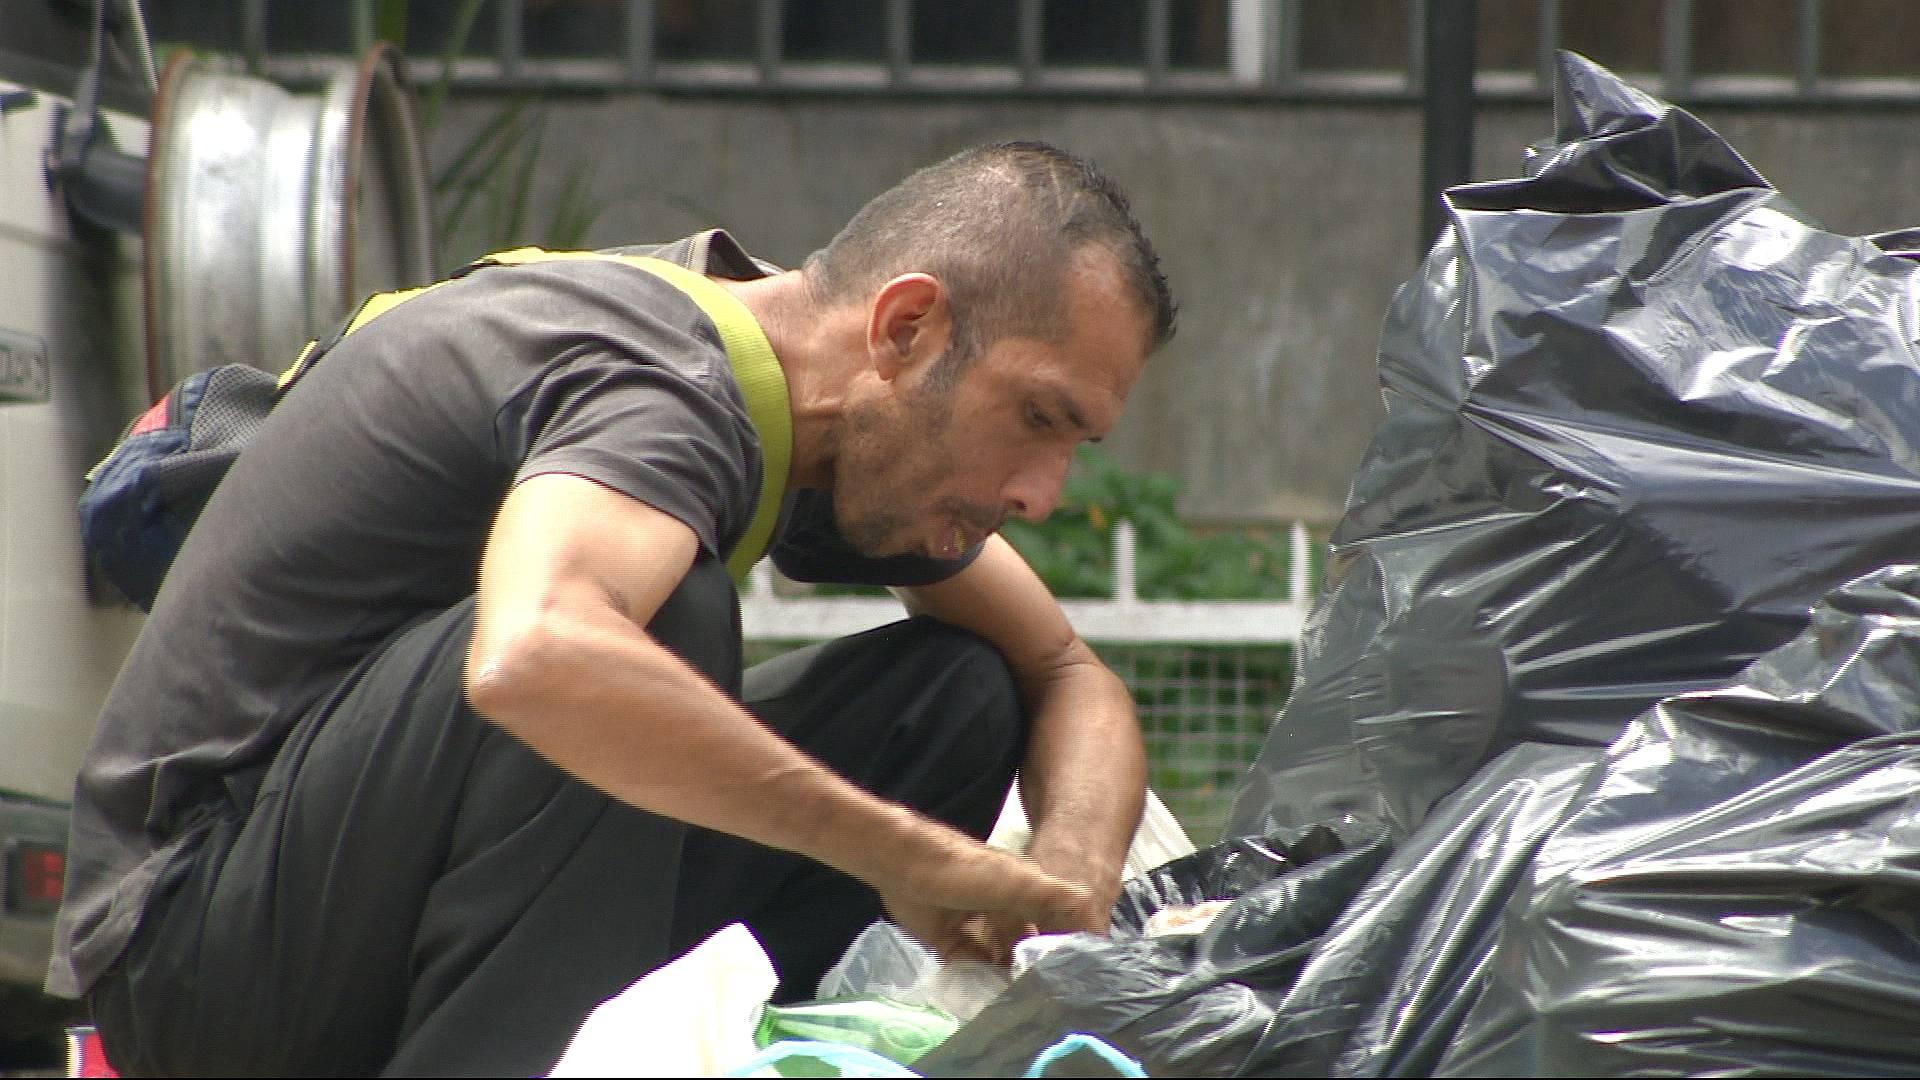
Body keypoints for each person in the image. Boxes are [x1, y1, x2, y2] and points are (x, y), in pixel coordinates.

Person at [50, 140, 1178, 1076]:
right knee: (646, 631)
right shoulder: (662, 380)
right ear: (906, 329)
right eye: (1037, 418)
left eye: (1074, 443)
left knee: (955, 695)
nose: (1042, 493)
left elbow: (1064, 670)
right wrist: (908, 855)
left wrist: (1066, 890)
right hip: (197, 955)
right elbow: (536, 655)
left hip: (373, 892)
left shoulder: (819, 404)